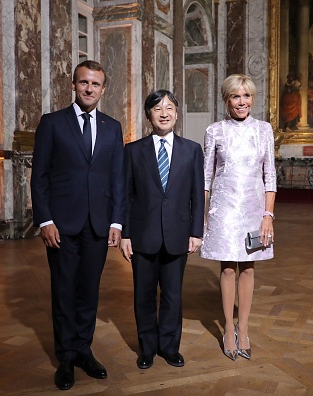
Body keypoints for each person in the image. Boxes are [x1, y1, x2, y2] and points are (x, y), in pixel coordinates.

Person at [30, 60, 125, 391]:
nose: (89, 89)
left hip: (98, 226)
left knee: (88, 292)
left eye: (95, 84)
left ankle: (84, 350)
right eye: (84, 82)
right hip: (61, 225)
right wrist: (45, 219)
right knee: (64, 292)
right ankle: (66, 358)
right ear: (73, 85)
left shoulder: (113, 127)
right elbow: (39, 175)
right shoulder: (52, 123)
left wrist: (116, 221)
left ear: (103, 89)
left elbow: (117, 178)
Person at [120, 89, 204, 370]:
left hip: (178, 235)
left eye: (169, 108)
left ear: (177, 114)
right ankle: (146, 348)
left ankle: (169, 347)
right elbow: (126, 196)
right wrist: (126, 235)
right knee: (143, 295)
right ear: (149, 116)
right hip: (143, 236)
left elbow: (197, 195)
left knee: (172, 295)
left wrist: (196, 232)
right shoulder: (132, 151)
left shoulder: (192, 150)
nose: (164, 113)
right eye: (157, 109)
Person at [200, 74, 276, 361]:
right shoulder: (215, 131)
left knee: (248, 269)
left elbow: (270, 176)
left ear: (252, 99)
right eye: (235, 96)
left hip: (254, 210)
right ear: (226, 99)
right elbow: (206, 177)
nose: (241, 102)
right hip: (224, 210)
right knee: (228, 268)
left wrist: (267, 215)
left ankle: (243, 328)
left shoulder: (264, 130)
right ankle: (228, 328)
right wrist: (202, 215)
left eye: (246, 96)